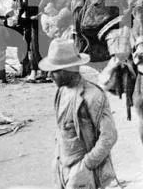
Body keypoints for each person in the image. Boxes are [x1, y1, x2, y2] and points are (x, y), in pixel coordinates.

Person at [40, 38, 118, 189]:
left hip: (83, 172)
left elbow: (109, 136)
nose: (49, 75)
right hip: (63, 168)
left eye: (55, 71)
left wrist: (87, 165)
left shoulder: (93, 96)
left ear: (68, 70)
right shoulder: (61, 92)